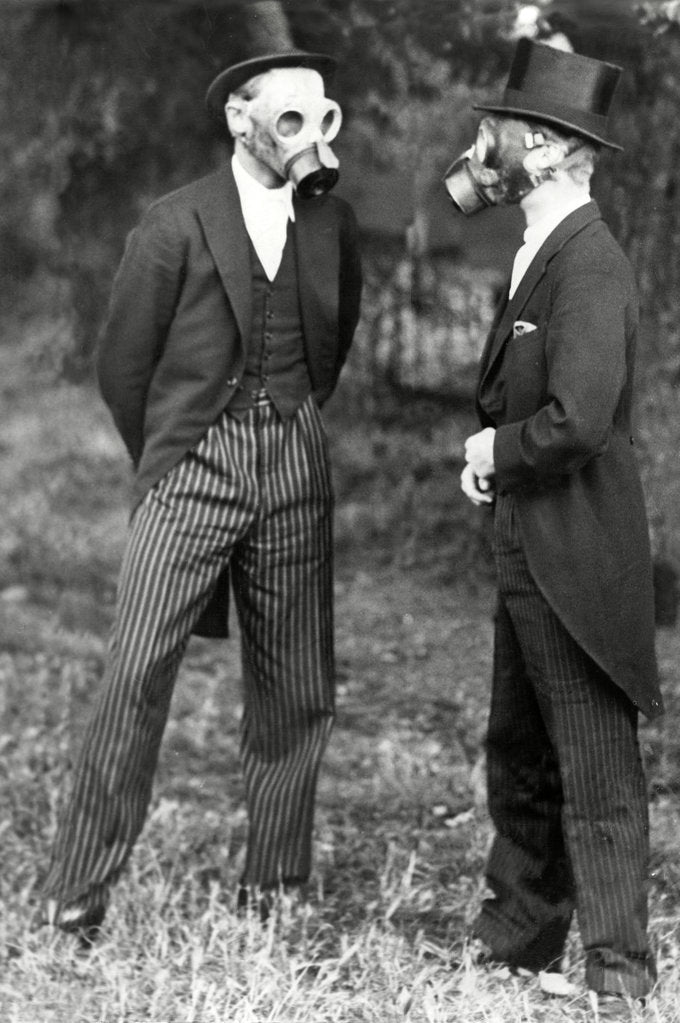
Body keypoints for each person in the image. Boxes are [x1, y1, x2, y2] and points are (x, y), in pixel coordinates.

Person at [41, 48, 362, 939]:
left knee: (297, 685)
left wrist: (288, 417)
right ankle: (78, 891)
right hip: (192, 463)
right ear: (240, 119)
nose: (308, 137)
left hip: (295, 454)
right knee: (135, 674)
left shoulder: (331, 225)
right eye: (288, 118)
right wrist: (176, 459)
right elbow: (122, 367)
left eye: (322, 118)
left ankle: (275, 883)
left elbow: (332, 341)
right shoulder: (174, 222)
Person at [445, 38, 662, 1015]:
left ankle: (618, 969)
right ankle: (518, 936)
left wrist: (495, 451)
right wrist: (495, 461)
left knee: (595, 768)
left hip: (579, 560)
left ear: (540, 147)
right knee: (517, 749)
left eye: (496, 131)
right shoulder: (540, 246)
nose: (478, 147)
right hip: (528, 549)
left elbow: (575, 418)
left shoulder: (587, 260)